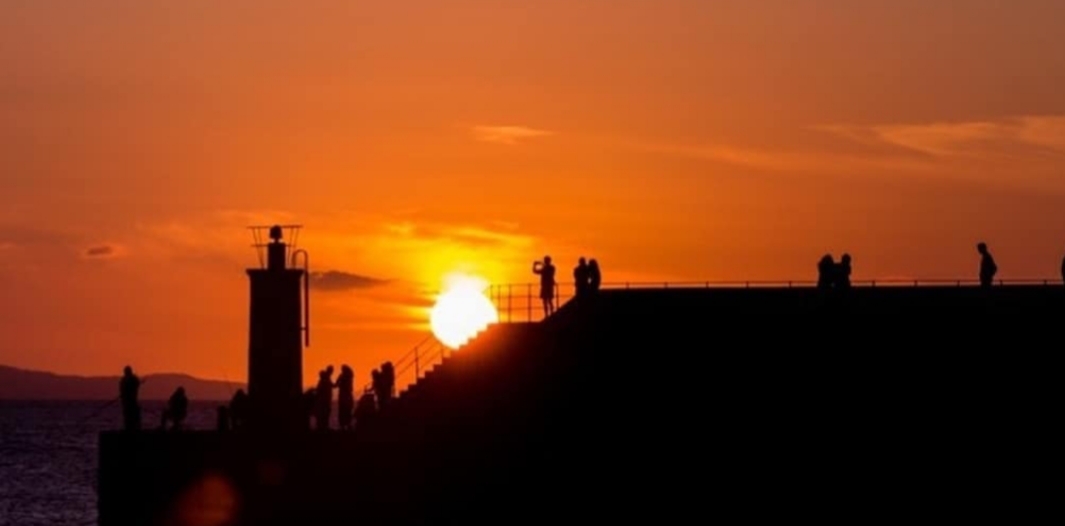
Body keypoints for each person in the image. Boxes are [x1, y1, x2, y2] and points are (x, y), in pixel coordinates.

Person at [119, 366, 142, 431]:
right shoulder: (123, 380)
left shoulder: (133, 379)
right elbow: (121, 390)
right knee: (127, 415)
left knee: (134, 415)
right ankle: (128, 428)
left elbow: (136, 385)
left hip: (132, 401)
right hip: (126, 402)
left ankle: (136, 428)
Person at [336, 365, 355, 431]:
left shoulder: (342, 376)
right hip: (347, 395)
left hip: (343, 396)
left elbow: (336, 384)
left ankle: (343, 425)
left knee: (343, 410)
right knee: (347, 410)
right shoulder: (350, 376)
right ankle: (347, 424)